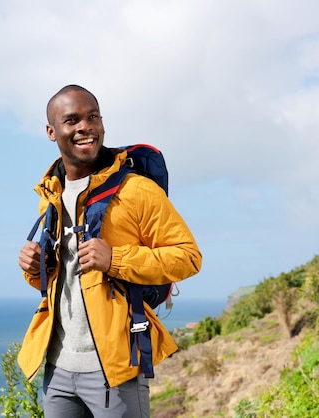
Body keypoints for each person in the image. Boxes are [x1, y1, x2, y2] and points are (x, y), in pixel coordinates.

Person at [17, 84, 202, 418]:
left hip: (114, 368)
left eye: (92, 117)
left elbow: (188, 256)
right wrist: (36, 268)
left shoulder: (136, 190)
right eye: (72, 120)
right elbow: (64, 281)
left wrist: (115, 259)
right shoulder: (51, 194)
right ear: (51, 131)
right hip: (57, 367)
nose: (85, 127)